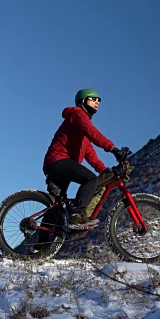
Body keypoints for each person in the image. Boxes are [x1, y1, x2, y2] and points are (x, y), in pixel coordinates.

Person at [43, 88, 127, 229]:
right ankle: (77, 215)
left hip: (59, 163)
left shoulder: (81, 130)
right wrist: (112, 148)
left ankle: (42, 245)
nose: (97, 102)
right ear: (82, 101)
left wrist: (104, 170)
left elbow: (90, 155)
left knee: (56, 205)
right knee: (90, 179)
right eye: (93, 99)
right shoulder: (78, 114)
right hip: (58, 160)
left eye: (99, 100)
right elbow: (93, 133)